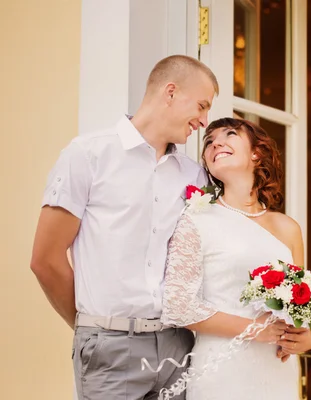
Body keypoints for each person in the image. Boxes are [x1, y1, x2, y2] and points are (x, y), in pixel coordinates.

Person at [30, 55, 219, 399]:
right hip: (110, 349)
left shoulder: (194, 175)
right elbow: (45, 259)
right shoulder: (87, 155)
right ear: (171, 92)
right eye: (202, 106)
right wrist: (91, 329)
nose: (204, 121)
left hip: (178, 345)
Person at [161, 117, 311, 399]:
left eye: (230, 134)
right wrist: (255, 329)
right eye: (209, 142)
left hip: (278, 371)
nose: (215, 143)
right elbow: (179, 307)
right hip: (222, 370)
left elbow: (307, 318)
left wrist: (308, 338)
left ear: (256, 153)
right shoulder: (196, 218)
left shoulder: (288, 227)